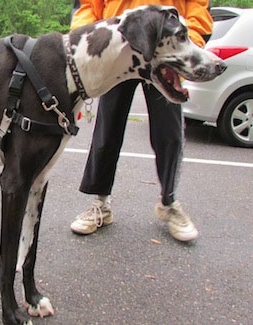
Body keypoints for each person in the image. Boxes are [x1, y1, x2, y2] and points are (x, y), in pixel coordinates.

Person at [70, 0, 213, 241]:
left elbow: (199, 6)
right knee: (107, 131)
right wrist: (95, 42)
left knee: (169, 134)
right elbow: (86, 6)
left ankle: (169, 204)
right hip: (119, 48)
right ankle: (101, 204)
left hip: (165, 50)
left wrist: (187, 43)